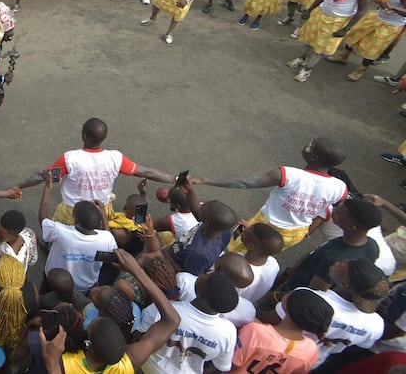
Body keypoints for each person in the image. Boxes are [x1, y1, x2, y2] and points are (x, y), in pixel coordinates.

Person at [195, 137, 349, 253]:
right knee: (261, 252)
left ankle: (221, 266)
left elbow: (246, 183)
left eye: (310, 147)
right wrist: (309, 230)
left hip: (264, 225)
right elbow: (328, 209)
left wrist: (204, 180)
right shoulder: (340, 187)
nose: (305, 146)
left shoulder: (289, 175)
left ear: (314, 157)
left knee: (234, 249)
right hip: (295, 234)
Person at [19, 117, 174, 224]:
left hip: (72, 211)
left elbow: (44, 176)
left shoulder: (70, 159)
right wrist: (175, 178)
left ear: (83, 135)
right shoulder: (116, 158)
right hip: (101, 209)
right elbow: (146, 172)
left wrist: (19, 186)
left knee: (61, 233)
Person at [288, 0, 374, 82]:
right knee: (307, 39)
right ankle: (301, 59)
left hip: (337, 21)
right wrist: (310, 9)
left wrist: (346, 29)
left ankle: (307, 70)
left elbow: (361, 11)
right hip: (320, 13)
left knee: (319, 49)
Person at [138, 272, 239, 373]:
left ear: (200, 294)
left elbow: (138, 335)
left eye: (203, 277)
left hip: (147, 367)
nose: (201, 275)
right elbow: (220, 368)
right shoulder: (228, 332)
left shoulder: (166, 310)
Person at [327, 0, 406, 81]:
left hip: (391, 24)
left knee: (373, 47)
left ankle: (361, 70)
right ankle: (343, 56)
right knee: (355, 33)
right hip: (377, 16)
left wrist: (391, 7)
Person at [232, 288, 333, 373]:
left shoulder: (255, 331)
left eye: (290, 294)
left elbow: (229, 364)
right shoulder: (311, 350)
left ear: (288, 307)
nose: (287, 294)